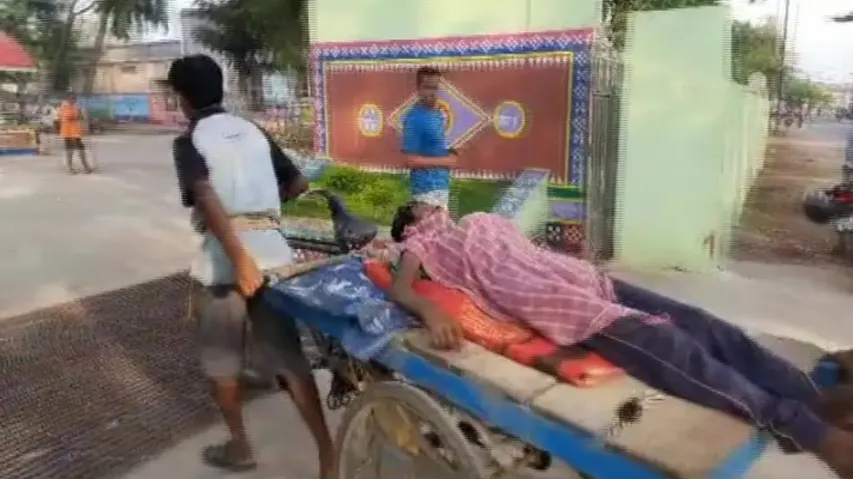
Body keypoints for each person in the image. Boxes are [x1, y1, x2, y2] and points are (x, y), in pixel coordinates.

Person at [384, 202, 853, 479]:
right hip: (560, 305)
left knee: (706, 325)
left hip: (588, 281)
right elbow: (403, 287)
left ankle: (809, 396)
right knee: (673, 349)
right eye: (421, 208)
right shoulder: (421, 245)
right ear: (411, 223)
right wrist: (429, 308)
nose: (432, 207)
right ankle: (806, 427)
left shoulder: (480, 218)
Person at [165, 54, 335, 477]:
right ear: (221, 88)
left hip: (225, 263)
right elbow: (298, 183)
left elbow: (205, 196)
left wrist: (240, 258)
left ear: (182, 98)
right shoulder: (254, 131)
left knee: (222, 361)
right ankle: (329, 456)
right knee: (290, 360)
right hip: (275, 256)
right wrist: (264, 212)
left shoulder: (190, 141)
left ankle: (241, 448)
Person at [401, 66, 458, 210]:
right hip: (426, 191)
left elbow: (433, 146)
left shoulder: (438, 113)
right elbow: (410, 161)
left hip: (441, 185)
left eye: (436, 88)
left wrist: (451, 152)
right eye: (427, 88)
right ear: (418, 89)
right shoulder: (414, 119)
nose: (432, 93)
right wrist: (446, 161)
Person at [58, 93, 92, 175]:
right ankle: (71, 168)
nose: (74, 100)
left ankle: (85, 166)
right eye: (73, 99)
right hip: (68, 132)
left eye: (75, 99)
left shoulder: (73, 106)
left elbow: (78, 117)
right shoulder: (65, 106)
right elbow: (69, 116)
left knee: (79, 148)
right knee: (71, 149)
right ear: (68, 99)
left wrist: (80, 114)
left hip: (74, 131)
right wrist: (78, 114)